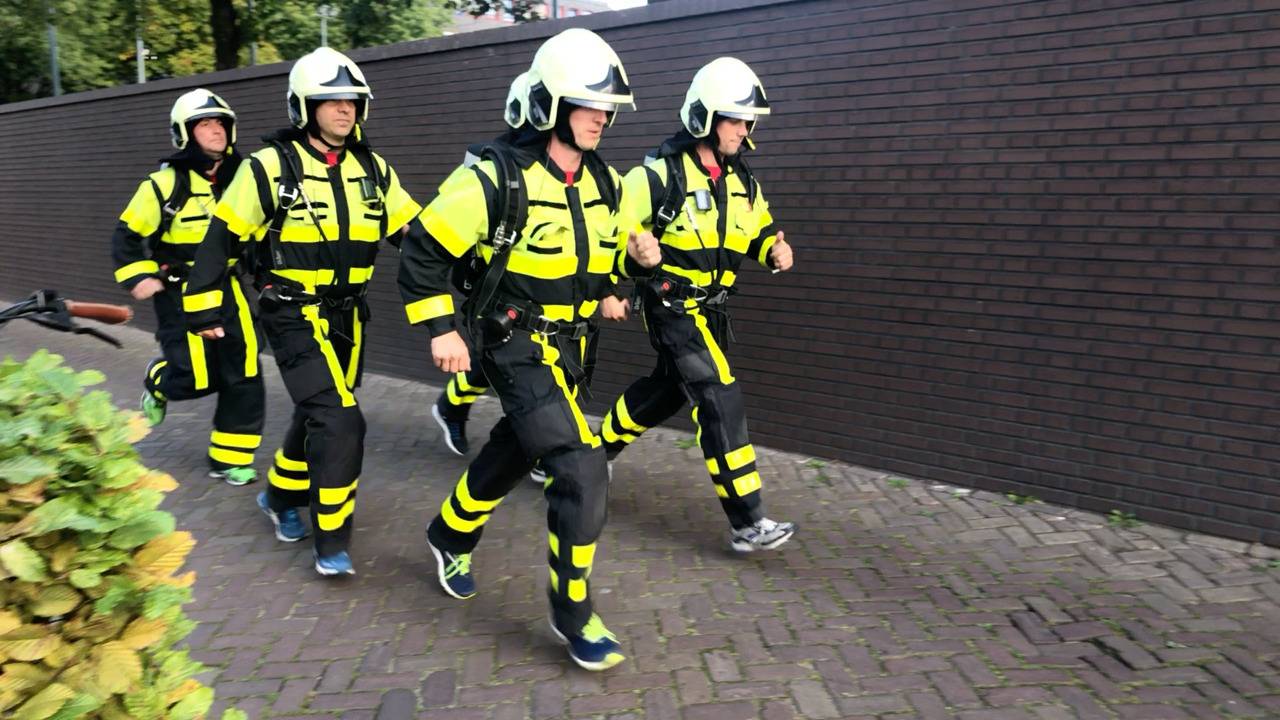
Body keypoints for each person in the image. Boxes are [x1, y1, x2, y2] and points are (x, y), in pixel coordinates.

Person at [398, 28, 660, 671]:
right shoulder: (495, 177)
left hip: (572, 348)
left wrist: (629, 272)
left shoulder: (607, 182)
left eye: (607, 108)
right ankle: (573, 613)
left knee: (516, 448)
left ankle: (448, 533)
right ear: (551, 105)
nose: (601, 117)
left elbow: (598, 260)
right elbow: (421, 254)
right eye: (588, 105)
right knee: (582, 468)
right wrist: (441, 330)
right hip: (512, 343)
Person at [182, 48, 421, 576]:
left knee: (317, 412)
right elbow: (221, 239)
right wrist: (201, 309)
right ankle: (331, 539)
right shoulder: (269, 166)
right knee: (340, 420)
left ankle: (278, 497)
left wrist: (475, 261)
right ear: (304, 107)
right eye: (331, 101)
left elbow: (414, 234)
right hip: (292, 312)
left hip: (348, 318)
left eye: (352, 101)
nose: (345, 110)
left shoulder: (373, 168)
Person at [598, 57, 797, 553]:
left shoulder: (742, 181)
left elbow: (756, 231)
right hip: (670, 305)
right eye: (736, 119)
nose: (745, 129)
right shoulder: (658, 176)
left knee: (666, 391)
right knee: (719, 393)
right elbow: (608, 230)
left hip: (712, 311)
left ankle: (593, 453)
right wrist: (613, 285)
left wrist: (773, 251)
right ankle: (748, 521)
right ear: (705, 118)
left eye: (748, 121)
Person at [111, 88, 265, 487]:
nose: (216, 131)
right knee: (194, 376)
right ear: (185, 133)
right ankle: (159, 380)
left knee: (244, 370)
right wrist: (139, 276)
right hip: (180, 292)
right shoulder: (163, 185)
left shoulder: (244, 180)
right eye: (204, 125)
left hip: (228, 290)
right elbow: (127, 235)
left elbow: (261, 232)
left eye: (220, 124)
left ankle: (230, 459)